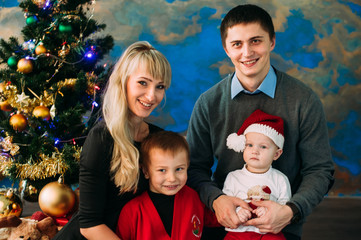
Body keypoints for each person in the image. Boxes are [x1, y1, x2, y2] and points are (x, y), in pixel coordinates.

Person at [186, 4, 334, 240]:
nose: (247, 52)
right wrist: (217, 200)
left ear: (272, 42)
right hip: (226, 226)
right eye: (237, 44)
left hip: (281, 226)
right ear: (226, 49)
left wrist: (291, 210)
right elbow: (194, 168)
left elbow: (319, 170)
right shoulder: (208, 103)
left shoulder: (303, 100)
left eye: (256, 41)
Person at [53, 41, 172, 240]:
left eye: (159, 86)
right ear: (123, 82)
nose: (151, 96)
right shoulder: (101, 138)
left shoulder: (158, 138)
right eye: (143, 82)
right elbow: (90, 225)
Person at [116, 131, 218, 239]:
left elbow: (220, 218)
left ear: (187, 166)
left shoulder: (195, 198)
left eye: (179, 169)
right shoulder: (131, 213)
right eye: (162, 170)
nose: (172, 178)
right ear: (146, 171)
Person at [223, 109, 291, 240]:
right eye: (250, 145)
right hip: (238, 232)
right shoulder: (233, 177)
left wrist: (269, 212)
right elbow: (228, 203)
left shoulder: (280, 179)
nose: (255, 151)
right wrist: (238, 211)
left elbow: (284, 206)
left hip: (268, 233)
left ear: (276, 154)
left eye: (263, 147)